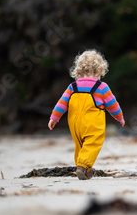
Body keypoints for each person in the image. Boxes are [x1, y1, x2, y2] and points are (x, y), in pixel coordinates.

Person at [48, 50, 125, 180]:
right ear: (99, 71)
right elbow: (113, 105)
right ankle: (83, 166)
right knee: (93, 144)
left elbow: (62, 103)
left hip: (75, 125)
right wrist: (120, 117)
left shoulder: (72, 86)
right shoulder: (101, 87)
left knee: (80, 145)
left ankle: (84, 169)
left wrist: (54, 118)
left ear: (79, 71)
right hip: (92, 124)